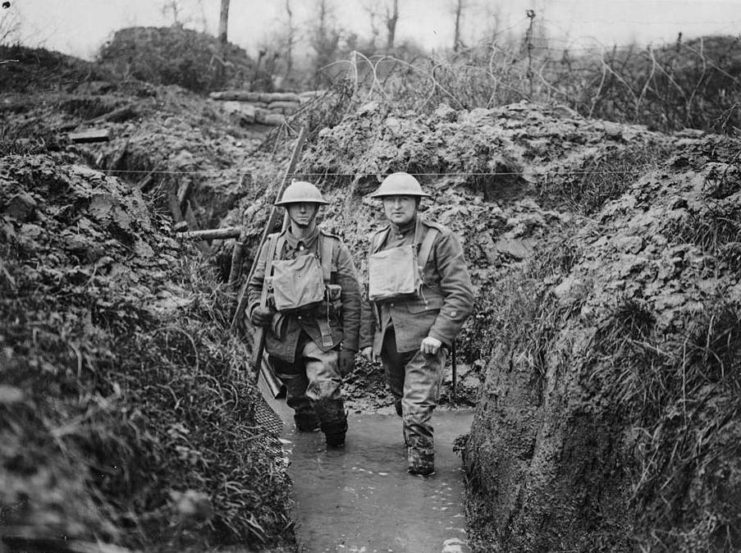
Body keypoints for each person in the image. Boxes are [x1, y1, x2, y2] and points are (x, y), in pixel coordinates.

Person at [360, 172, 475, 475]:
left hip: (425, 344)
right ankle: (413, 443)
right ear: (382, 205)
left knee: (416, 412)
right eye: (390, 200)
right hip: (390, 344)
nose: (396, 206)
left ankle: (422, 479)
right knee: (403, 405)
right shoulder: (377, 241)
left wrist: (439, 335)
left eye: (403, 200)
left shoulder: (440, 238)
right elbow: (373, 297)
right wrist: (371, 340)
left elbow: (461, 295)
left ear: (416, 202)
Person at [247, 180, 361, 448]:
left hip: (320, 334)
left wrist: (350, 348)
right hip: (283, 337)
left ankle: (336, 445)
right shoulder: (271, 246)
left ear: (316, 209)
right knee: (300, 403)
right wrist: (256, 309)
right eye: (296, 205)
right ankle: (308, 445)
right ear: (286, 209)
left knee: (325, 392)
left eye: (308, 205)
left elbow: (353, 299)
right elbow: (255, 287)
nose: (302, 210)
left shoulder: (334, 248)